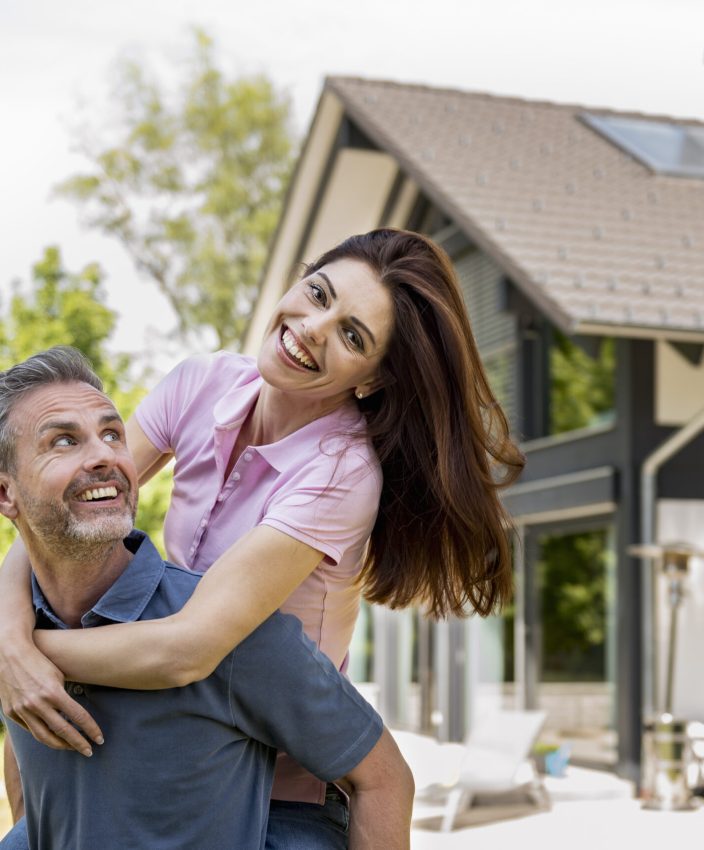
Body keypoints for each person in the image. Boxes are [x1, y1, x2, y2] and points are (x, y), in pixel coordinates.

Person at [0, 229, 524, 847]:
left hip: (287, 784)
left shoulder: (341, 472)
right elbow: (54, 513)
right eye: (318, 293)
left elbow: (189, 649)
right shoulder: (202, 384)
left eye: (352, 335)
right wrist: (10, 641)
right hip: (193, 736)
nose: (313, 328)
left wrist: (28, 660)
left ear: (374, 380)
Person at [0, 347, 413, 850]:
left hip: (296, 794)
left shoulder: (241, 636)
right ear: (6, 494)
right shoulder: (15, 629)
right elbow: (31, 784)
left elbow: (385, 779)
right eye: (63, 440)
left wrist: (23, 654)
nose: (106, 454)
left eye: (113, 434)